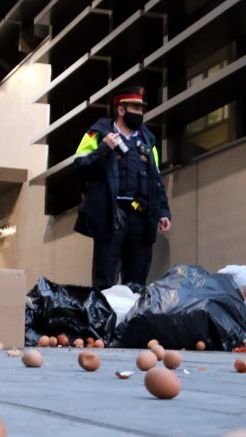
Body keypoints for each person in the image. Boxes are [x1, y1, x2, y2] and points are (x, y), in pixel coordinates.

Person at [73, 85, 171, 291]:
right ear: (120, 109)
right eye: (136, 108)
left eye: (141, 108)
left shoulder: (148, 141)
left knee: (136, 285)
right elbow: (80, 167)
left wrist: (163, 212)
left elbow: (156, 180)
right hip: (110, 219)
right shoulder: (96, 134)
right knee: (105, 283)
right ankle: (105, 321)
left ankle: (131, 322)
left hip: (140, 220)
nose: (140, 113)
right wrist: (104, 148)